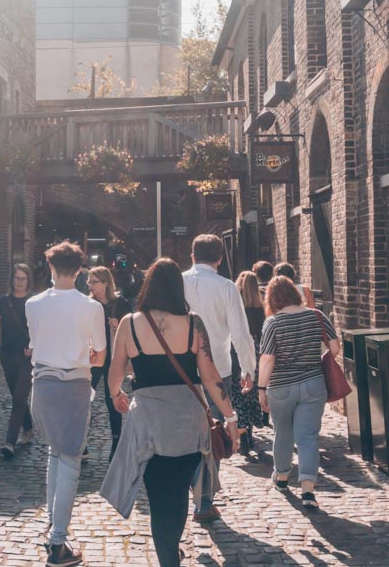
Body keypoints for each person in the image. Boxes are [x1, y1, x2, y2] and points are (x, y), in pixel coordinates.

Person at [101, 258, 240, 567]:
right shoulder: (194, 324)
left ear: (148, 286)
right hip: (189, 424)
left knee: (158, 497)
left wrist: (115, 395)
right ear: (179, 288)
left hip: (149, 424)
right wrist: (230, 419)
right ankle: (171, 551)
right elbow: (210, 375)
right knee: (178, 493)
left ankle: (167, 559)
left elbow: (115, 372)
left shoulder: (129, 324)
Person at [26, 242, 106, 567]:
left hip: (42, 385)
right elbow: (99, 355)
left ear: (50, 267)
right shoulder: (92, 307)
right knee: (71, 460)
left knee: (55, 453)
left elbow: (34, 345)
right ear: (79, 271)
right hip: (74, 384)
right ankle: (58, 544)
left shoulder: (33, 304)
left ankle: (52, 528)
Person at [181, 234, 256, 523]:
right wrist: (249, 369)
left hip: (182, 371)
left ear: (192, 255)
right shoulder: (226, 287)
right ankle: (204, 500)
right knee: (214, 436)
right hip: (218, 370)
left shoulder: (178, 283)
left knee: (187, 434)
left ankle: (190, 488)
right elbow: (240, 332)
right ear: (220, 258)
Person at [257, 276, 340, 510]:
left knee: (282, 432)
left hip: (281, 386)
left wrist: (261, 389)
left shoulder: (273, 322)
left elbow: (267, 358)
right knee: (308, 437)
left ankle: (282, 477)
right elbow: (334, 348)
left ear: (272, 299)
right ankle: (308, 490)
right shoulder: (317, 316)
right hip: (313, 384)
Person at [0, 263, 35, 459]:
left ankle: (10, 442)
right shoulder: (2, 302)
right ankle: (29, 429)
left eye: (23, 279)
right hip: (7, 354)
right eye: (17, 278)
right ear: (11, 280)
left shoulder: (33, 302)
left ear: (28, 281)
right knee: (17, 395)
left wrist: (34, 346)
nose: (20, 282)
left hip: (27, 357)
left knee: (19, 397)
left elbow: (40, 329)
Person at [86, 266, 132, 462]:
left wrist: (119, 323)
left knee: (112, 399)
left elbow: (132, 326)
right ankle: (82, 443)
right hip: (94, 358)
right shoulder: (87, 304)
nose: (90, 285)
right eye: (89, 281)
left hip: (113, 358)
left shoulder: (120, 303)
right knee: (85, 398)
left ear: (106, 283)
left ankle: (116, 443)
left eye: (94, 281)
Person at [232, 271, 266, 460]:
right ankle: (249, 434)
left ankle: (243, 435)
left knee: (238, 397)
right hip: (258, 359)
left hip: (237, 358)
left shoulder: (235, 311)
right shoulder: (262, 312)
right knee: (251, 396)